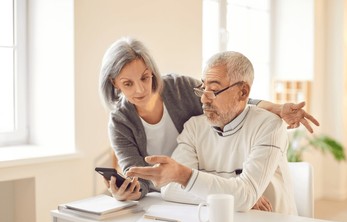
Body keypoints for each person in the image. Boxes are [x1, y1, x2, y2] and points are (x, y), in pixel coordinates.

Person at [99, 36, 318, 207]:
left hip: (194, 185)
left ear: (152, 73)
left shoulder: (178, 88)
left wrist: (276, 108)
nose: (140, 89)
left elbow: (231, 99)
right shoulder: (121, 123)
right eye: (128, 83)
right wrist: (127, 191)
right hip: (173, 200)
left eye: (145, 78)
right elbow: (143, 179)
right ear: (114, 83)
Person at [128, 51, 297, 214]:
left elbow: (245, 196)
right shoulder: (194, 127)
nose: (203, 98)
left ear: (243, 92)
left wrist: (184, 176)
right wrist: (235, 196)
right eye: (203, 88)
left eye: (214, 90)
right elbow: (170, 189)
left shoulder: (269, 126)